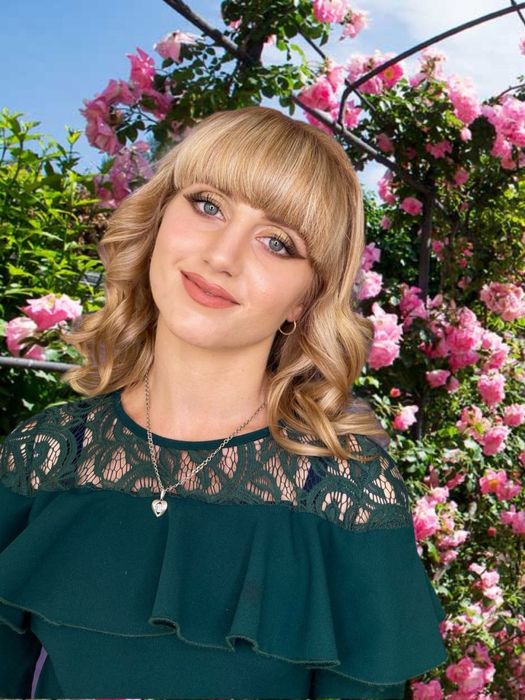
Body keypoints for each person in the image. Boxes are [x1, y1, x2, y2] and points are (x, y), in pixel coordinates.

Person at [0, 105, 448, 699]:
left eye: (277, 243)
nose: (222, 256)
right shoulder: (44, 455)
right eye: (208, 205)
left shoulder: (348, 494)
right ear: (160, 218)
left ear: (304, 301)